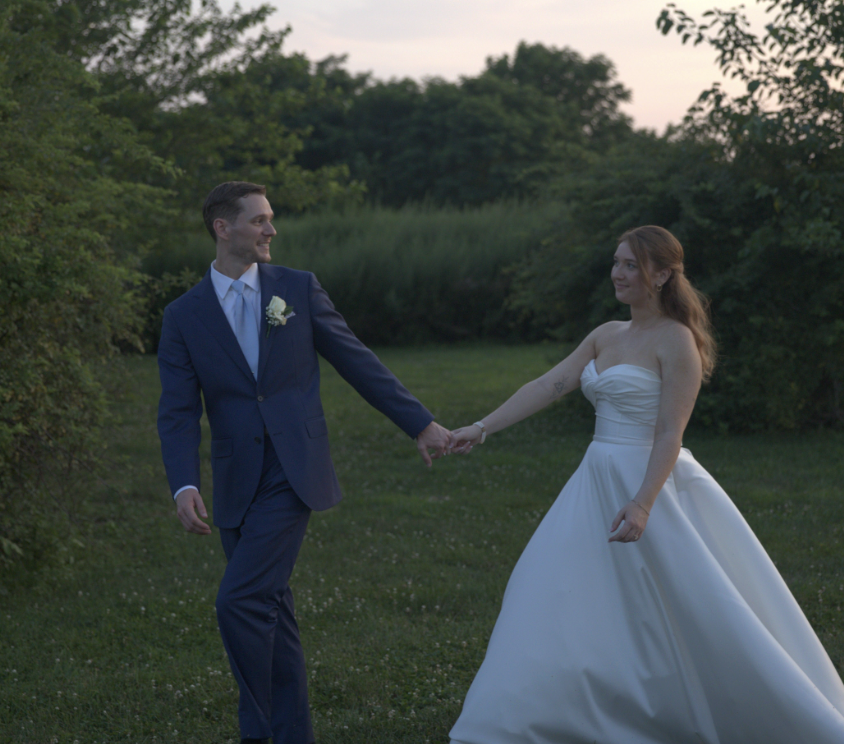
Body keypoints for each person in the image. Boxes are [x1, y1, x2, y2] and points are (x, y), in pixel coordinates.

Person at [447, 226, 844, 743]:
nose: (618, 273)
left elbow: (669, 433)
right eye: (616, 262)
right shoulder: (605, 334)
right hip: (595, 478)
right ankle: (525, 716)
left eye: (631, 265)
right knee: (551, 588)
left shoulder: (677, 340)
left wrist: (642, 503)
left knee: (681, 606)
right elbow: (550, 384)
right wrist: (480, 429)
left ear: (661, 273)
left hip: (650, 482)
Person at [156, 181, 451, 744]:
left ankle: (257, 732)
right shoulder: (183, 315)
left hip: (295, 471)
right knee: (269, 610)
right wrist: (183, 484)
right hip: (235, 478)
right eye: (259, 220)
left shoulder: (296, 287)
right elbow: (175, 411)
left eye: (271, 220)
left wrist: (420, 422)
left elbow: (357, 360)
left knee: (238, 602)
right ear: (224, 228)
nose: (271, 230)